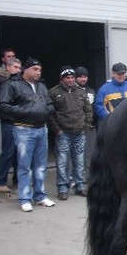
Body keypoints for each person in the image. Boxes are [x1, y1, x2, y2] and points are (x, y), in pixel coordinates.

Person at [0, 58, 55, 212]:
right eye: (35, 69)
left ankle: (40, 196)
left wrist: (47, 112)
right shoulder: (12, 85)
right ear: (26, 69)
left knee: (40, 166)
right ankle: (24, 198)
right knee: (25, 167)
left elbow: (50, 104)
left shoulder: (41, 86)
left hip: (42, 129)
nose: (38, 72)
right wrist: (24, 112)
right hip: (24, 129)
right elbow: (3, 105)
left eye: (40, 70)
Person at [48, 66, 93, 200]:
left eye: (72, 77)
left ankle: (79, 186)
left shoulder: (81, 92)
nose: (71, 80)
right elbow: (50, 114)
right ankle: (62, 188)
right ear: (62, 79)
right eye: (68, 78)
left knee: (79, 161)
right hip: (63, 133)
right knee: (62, 161)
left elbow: (88, 110)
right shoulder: (54, 92)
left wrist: (85, 126)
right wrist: (57, 130)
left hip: (79, 132)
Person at [0, 56, 22, 193]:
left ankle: (17, 180)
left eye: (19, 67)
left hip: (18, 121)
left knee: (19, 152)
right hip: (8, 121)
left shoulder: (17, 81)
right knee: (8, 151)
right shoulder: (3, 81)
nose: (18, 70)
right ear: (8, 67)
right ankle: (0, 182)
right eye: (15, 67)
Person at [74, 66, 97, 176]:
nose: (83, 79)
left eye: (85, 77)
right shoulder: (72, 91)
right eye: (80, 77)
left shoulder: (91, 91)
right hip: (76, 128)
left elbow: (95, 108)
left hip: (90, 128)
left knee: (90, 154)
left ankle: (89, 176)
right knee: (76, 155)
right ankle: (75, 178)